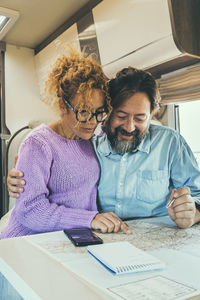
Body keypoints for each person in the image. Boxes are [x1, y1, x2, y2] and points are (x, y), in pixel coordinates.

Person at [7, 67, 200, 230]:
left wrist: (193, 213)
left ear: (151, 115)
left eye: (140, 119)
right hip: (101, 236)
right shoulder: (90, 140)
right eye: (121, 116)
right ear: (108, 112)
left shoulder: (170, 143)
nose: (129, 127)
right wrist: (19, 178)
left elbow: (197, 193)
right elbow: (58, 170)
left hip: (157, 235)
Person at [0, 50, 131, 239]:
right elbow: (29, 211)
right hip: (26, 241)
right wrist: (89, 219)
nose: (92, 121)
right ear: (63, 106)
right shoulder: (38, 144)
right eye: (84, 112)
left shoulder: (90, 139)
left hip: (68, 238)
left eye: (99, 112)